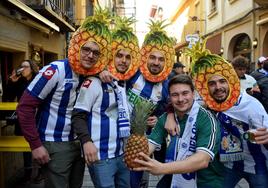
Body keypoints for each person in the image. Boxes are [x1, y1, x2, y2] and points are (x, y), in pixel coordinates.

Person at [16, 9, 111, 188]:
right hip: (54, 144)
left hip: (80, 144)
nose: (90, 55)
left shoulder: (93, 74)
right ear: (76, 47)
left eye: (96, 53)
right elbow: (25, 107)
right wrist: (35, 145)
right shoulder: (56, 70)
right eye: (86, 49)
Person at [178, 40, 268, 188]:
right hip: (229, 164)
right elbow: (181, 104)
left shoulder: (250, 105)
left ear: (230, 82)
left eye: (222, 81)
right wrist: (169, 115)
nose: (218, 87)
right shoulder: (208, 104)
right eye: (212, 84)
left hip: (257, 165)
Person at [100, 19, 175, 188]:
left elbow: (172, 105)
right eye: (152, 58)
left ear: (166, 61)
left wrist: (163, 117)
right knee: (128, 177)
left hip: (149, 137)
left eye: (160, 59)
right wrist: (102, 70)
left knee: (149, 173)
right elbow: (115, 67)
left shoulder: (167, 84)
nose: (156, 62)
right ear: (145, 58)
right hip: (121, 135)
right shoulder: (133, 73)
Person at [72, 16, 140, 188]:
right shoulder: (93, 82)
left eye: (127, 56)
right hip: (101, 157)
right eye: (119, 55)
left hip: (122, 154)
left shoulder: (124, 84)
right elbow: (78, 116)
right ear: (110, 56)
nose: (123, 60)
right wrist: (86, 142)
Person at [133, 74, 222, 188]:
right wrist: (138, 156)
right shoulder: (165, 118)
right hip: (174, 176)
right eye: (175, 95)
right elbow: (151, 143)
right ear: (169, 97)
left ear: (193, 94)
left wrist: (161, 168)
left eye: (185, 93)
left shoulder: (206, 119)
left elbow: (202, 160)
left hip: (205, 181)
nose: (180, 99)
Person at [5, 60, 39, 183]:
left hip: (36, 117)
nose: (22, 69)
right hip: (23, 118)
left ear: (32, 68)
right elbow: (8, 98)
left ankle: (40, 171)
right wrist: (12, 82)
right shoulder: (19, 81)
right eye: (21, 66)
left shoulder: (38, 80)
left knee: (38, 143)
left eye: (25, 66)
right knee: (25, 146)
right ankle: (28, 172)